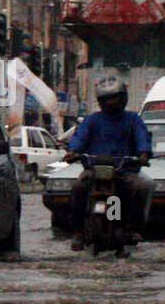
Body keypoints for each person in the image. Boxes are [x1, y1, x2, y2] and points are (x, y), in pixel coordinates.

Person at [64, 75, 153, 251]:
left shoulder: (133, 119)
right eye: (106, 99)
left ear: (123, 98)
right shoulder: (92, 120)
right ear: (100, 101)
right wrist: (72, 152)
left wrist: (143, 153)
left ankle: (132, 227)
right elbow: (80, 138)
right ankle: (78, 232)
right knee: (77, 188)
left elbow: (142, 137)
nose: (111, 103)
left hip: (125, 172)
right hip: (94, 171)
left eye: (114, 98)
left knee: (144, 186)